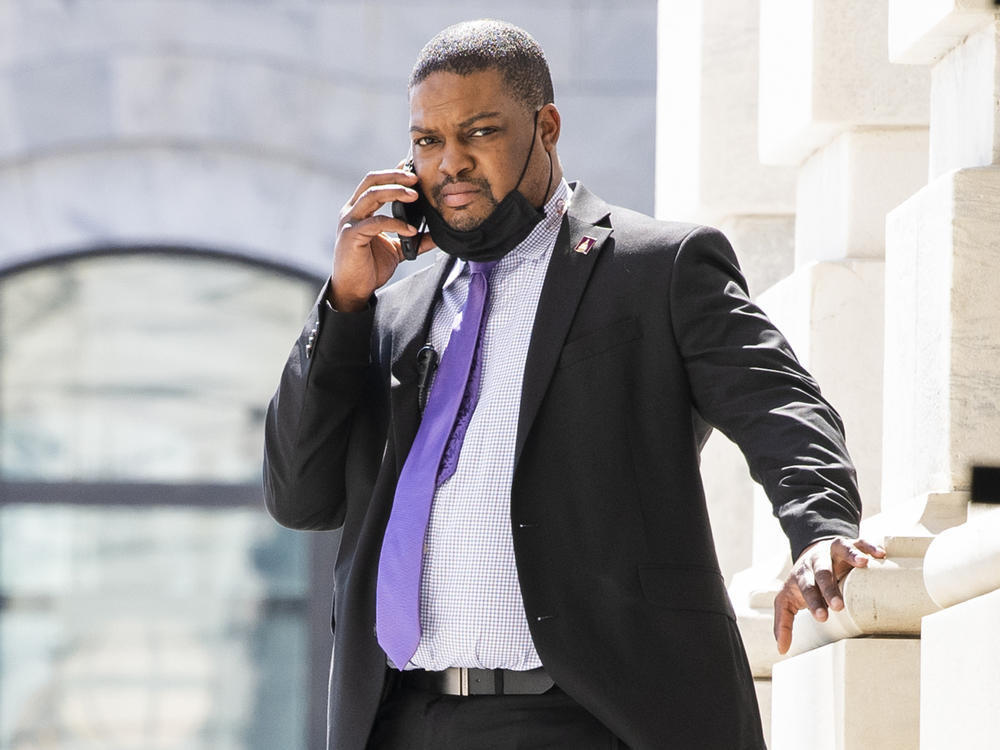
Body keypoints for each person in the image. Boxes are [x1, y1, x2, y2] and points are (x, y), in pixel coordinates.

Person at [263, 19, 884, 750]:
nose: (450, 164)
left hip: (588, 718)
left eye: (480, 133)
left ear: (546, 126)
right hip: (403, 721)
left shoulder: (657, 268)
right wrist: (344, 307)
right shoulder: (392, 309)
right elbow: (301, 495)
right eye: (429, 141)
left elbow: (780, 403)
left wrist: (820, 527)